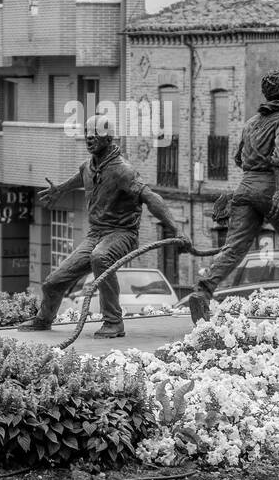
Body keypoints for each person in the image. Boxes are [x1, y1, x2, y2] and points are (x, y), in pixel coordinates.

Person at [19, 115, 188, 338]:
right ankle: (44, 318)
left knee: (100, 257)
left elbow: (151, 197)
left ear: (109, 138)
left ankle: (113, 322)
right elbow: (81, 177)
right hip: (95, 235)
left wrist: (175, 228)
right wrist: (60, 189)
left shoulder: (123, 171)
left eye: (96, 133)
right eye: (87, 133)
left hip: (122, 234)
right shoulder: (88, 166)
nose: (90, 137)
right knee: (53, 282)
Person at [185, 70, 279, 324]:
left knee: (234, 248)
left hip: (245, 187)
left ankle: (203, 290)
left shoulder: (250, 123)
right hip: (269, 188)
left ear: (264, 94)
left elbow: (238, 157)